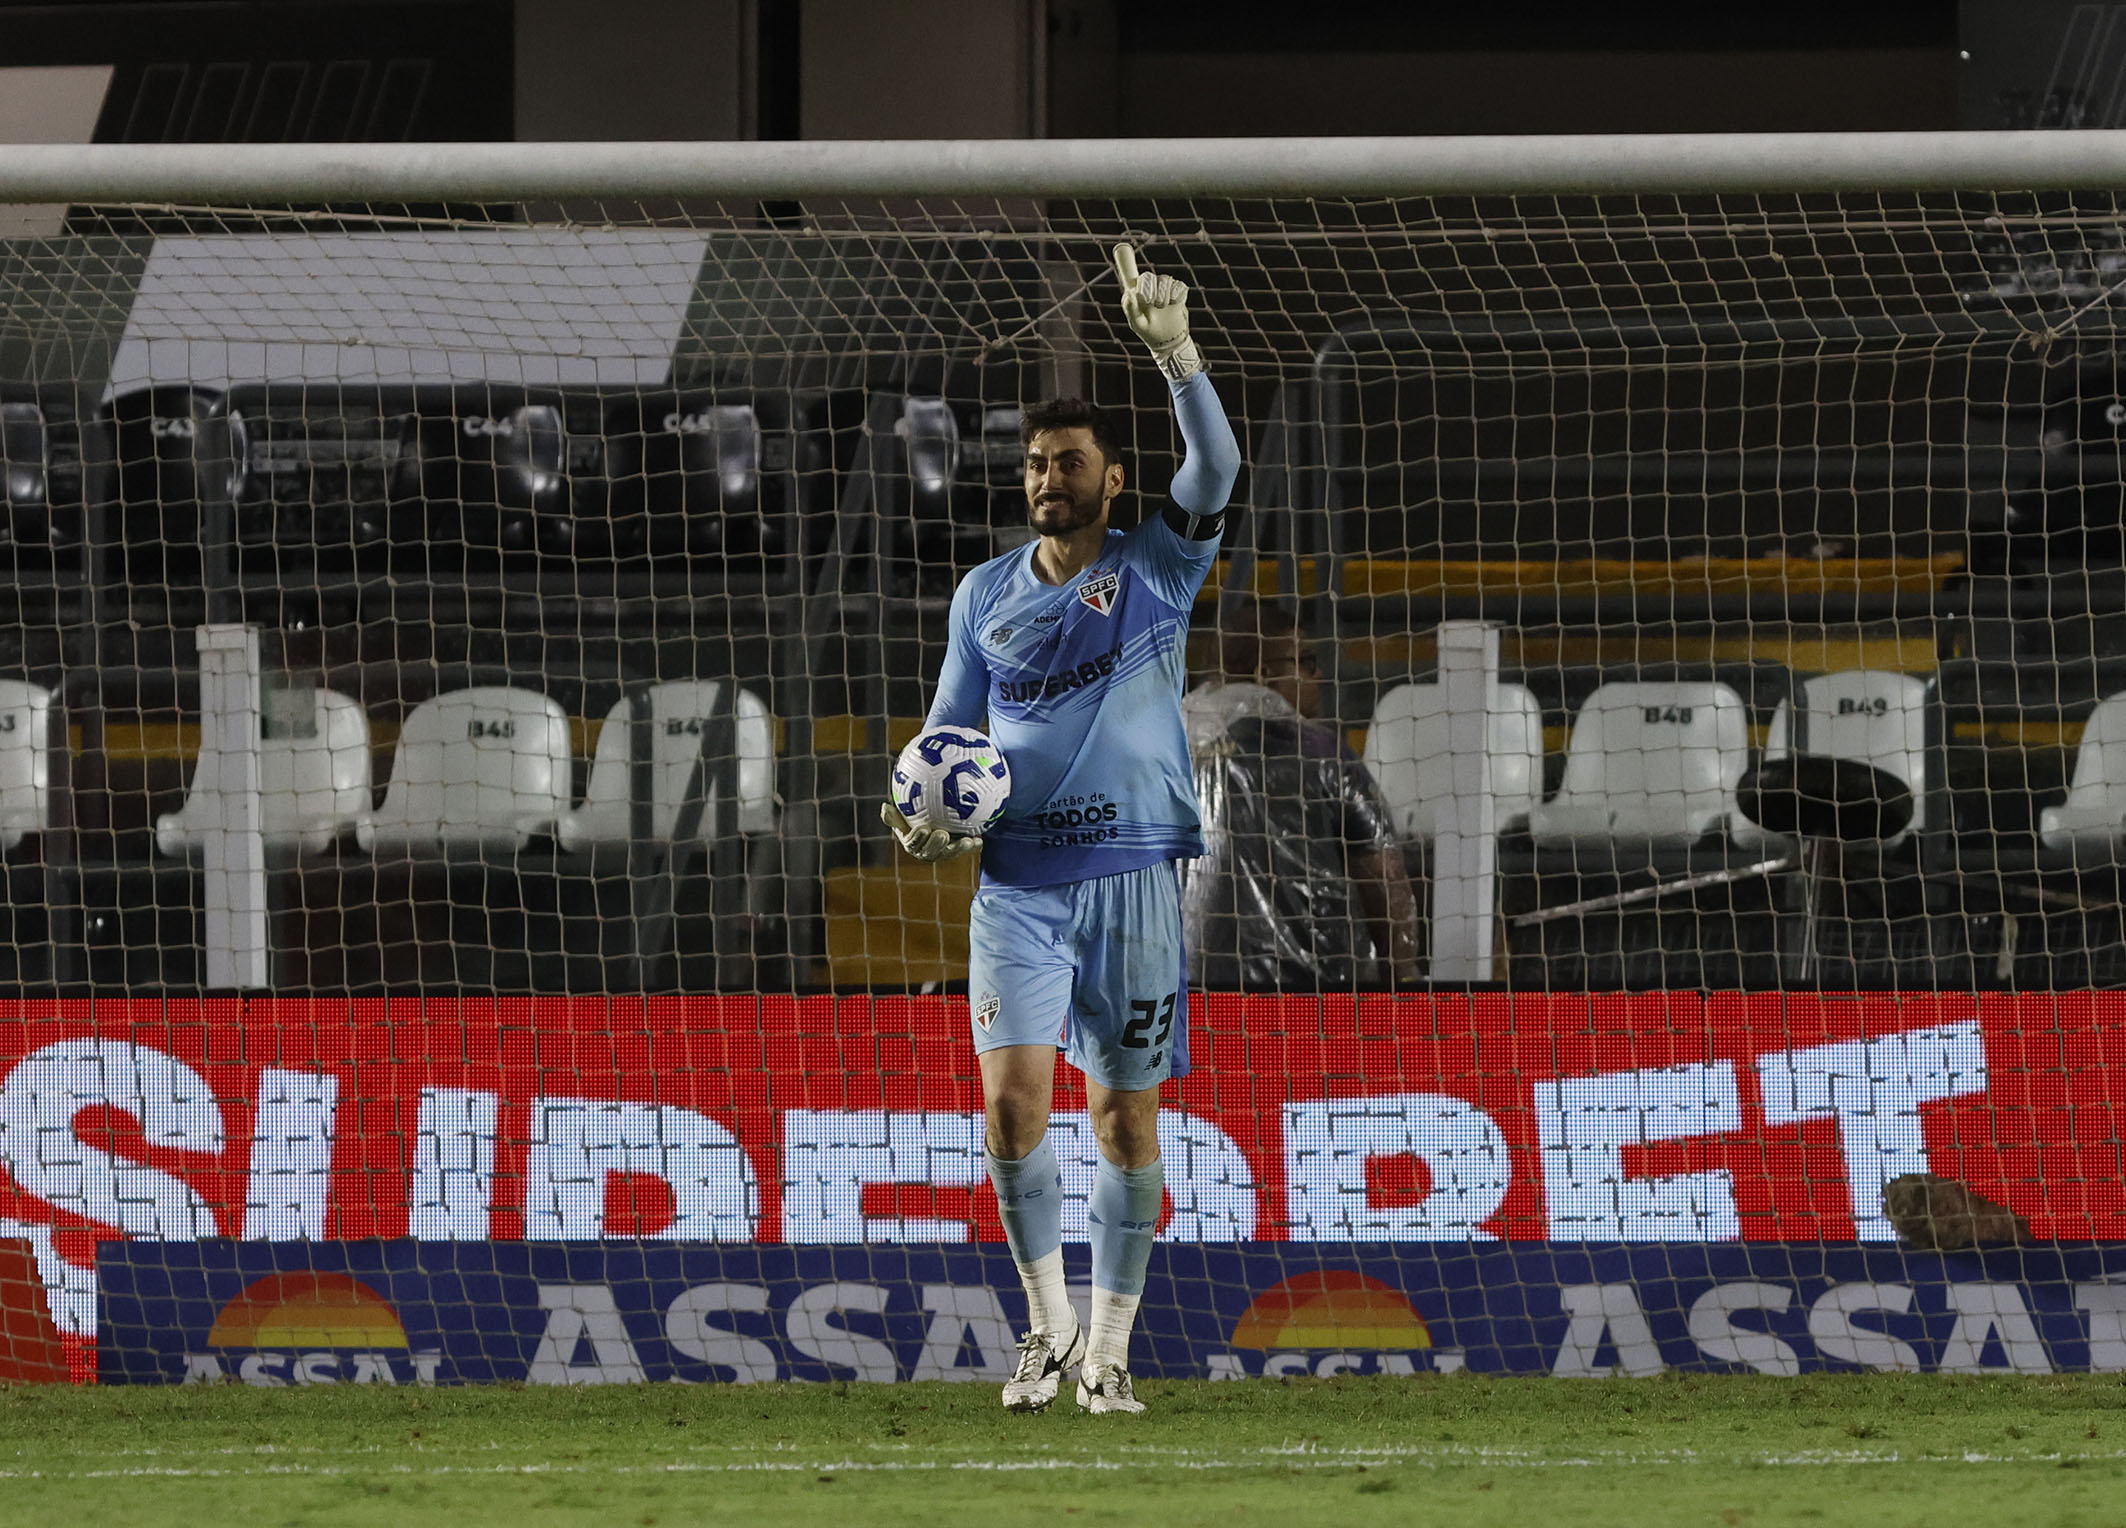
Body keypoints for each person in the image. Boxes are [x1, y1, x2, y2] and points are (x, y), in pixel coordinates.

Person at [879, 243, 1240, 1415]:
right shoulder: (982, 595)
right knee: (1008, 1109)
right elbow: (944, 736)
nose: (1047, 476)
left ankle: (1110, 1351)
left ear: (1111, 477)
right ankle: (1046, 1325)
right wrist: (917, 815)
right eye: (1035, 462)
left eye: (1068, 461)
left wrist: (1176, 357)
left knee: (1123, 1119)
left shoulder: (1158, 569)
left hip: (1132, 881)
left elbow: (1217, 465)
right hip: (1019, 885)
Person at [1182, 599, 1422, 990]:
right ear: (1264, 672)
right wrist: (1400, 979)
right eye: (1307, 662)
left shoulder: (1174, 756)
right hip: (1311, 993)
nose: (1319, 674)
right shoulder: (1324, 755)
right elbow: (1385, 879)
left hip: (1195, 993)